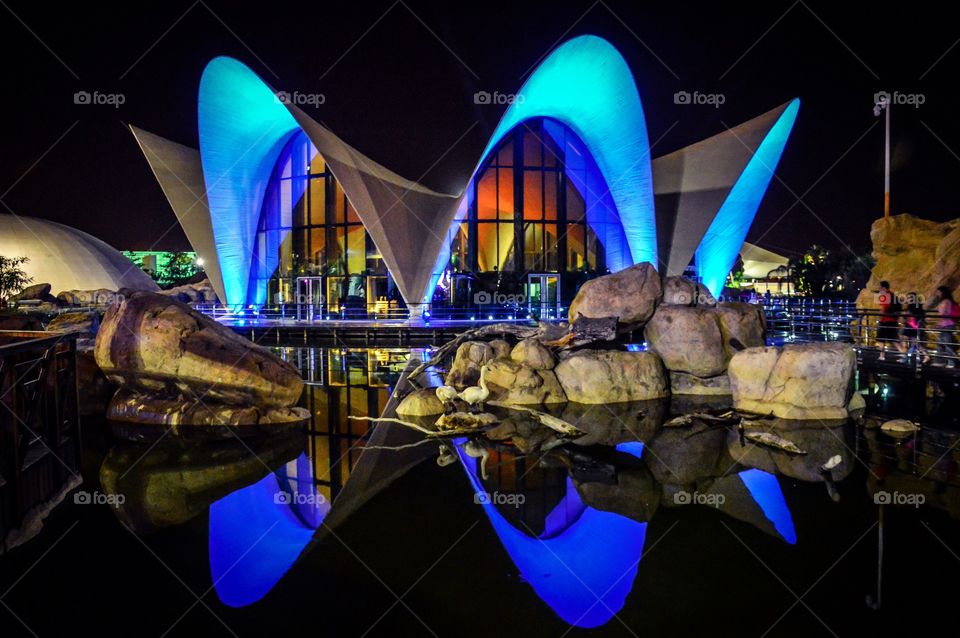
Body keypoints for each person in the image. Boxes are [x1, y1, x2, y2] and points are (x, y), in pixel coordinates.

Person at [930, 286, 958, 367]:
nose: (937, 294)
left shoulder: (945, 301)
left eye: (938, 292)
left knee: (947, 345)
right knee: (940, 343)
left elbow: (942, 313)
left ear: (942, 292)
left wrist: (937, 324)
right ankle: (940, 361)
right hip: (946, 325)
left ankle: (951, 363)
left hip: (947, 325)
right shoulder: (947, 301)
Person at [897, 293, 926, 363]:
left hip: (912, 326)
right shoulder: (918, 306)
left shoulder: (912, 306)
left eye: (910, 297)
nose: (908, 299)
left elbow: (909, 316)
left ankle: (905, 357)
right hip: (913, 326)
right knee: (909, 341)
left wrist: (903, 315)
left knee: (913, 343)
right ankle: (926, 355)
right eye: (908, 297)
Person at [876, 281, 900, 361]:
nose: (879, 289)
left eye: (880, 287)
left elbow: (882, 309)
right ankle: (904, 354)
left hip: (885, 321)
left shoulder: (885, 296)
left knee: (881, 340)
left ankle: (882, 356)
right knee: (893, 340)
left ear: (884, 288)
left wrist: (879, 319)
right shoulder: (892, 295)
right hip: (892, 320)